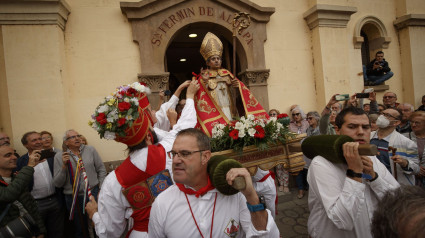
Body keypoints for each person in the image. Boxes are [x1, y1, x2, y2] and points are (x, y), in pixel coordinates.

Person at [84, 80, 199, 237]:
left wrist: (94, 215)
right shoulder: (171, 148)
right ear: (147, 133)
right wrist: (190, 96)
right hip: (182, 226)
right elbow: (186, 124)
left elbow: (110, 232)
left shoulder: (113, 181)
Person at [148, 128, 279, 237]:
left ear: (205, 157)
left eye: (185, 153)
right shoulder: (162, 203)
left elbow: (267, 236)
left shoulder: (234, 194)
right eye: (174, 153)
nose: (176, 160)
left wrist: (251, 196)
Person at [307, 107, 399, 238]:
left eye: (366, 127)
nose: (361, 132)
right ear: (337, 130)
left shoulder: (372, 159)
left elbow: (397, 200)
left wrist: (374, 178)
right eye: (352, 126)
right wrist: (354, 172)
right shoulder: (321, 164)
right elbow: (342, 221)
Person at [195, 32, 268, 137]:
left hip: (229, 105)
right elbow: (201, 95)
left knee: (231, 119)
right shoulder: (204, 76)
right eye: (213, 59)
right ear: (208, 62)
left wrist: (236, 86)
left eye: (218, 59)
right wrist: (205, 82)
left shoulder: (227, 73)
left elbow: (239, 89)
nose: (216, 61)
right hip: (215, 106)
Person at [53, 129, 107, 238]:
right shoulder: (59, 156)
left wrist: (101, 188)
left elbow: (101, 169)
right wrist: (64, 166)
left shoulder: (90, 150)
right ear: (66, 142)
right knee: (80, 228)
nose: (77, 138)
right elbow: (58, 183)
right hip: (73, 197)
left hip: (93, 193)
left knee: (98, 223)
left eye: (78, 135)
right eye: (72, 137)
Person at [17, 131, 64, 238]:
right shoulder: (21, 162)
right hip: (35, 205)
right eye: (34, 140)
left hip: (55, 201)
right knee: (39, 234)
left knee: (57, 233)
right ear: (25, 145)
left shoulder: (52, 156)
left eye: (40, 139)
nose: (39, 141)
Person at [0, 144, 46, 237]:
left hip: (28, 230)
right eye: (8, 155)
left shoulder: (17, 179)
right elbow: (8, 195)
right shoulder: (20, 179)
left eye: (14, 154)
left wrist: (41, 231)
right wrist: (29, 166)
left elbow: (31, 207)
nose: (14, 157)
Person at [370, 108, 419, 185]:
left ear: (396, 122)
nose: (382, 117)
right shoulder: (368, 137)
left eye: (387, 115)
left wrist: (405, 163)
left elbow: (416, 169)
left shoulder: (407, 143)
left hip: (393, 185)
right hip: (371, 183)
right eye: (382, 114)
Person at [296, 111, 320, 199]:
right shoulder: (308, 129)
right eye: (307, 118)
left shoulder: (322, 128)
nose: (308, 120)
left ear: (317, 118)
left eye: (310, 118)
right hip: (309, 156)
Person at [404, 111, 425, 188]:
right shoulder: (404, 137)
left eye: (417, 123)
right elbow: (400, 156)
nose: (413, 125)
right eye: (412, 122)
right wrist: (416, 169)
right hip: (410, 177)